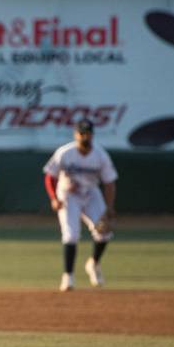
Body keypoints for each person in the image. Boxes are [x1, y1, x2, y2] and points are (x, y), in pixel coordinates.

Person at [43, 119, 117, 292]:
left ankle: (94, 264)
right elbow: (50, 175)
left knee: (104, 232)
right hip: (68, 195)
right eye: (82, 133)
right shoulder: (65, 153)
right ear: (76, 134)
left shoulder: (100, 155)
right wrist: (54, 198)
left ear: (92, 134)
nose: (85, 136)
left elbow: (110, 182)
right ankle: (68, 277)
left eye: (88, 133)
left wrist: (109, 206)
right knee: (71, 235)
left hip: (91, 193)